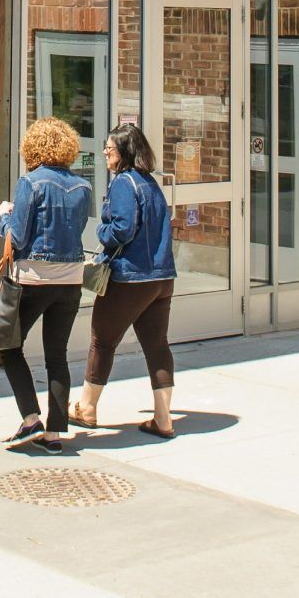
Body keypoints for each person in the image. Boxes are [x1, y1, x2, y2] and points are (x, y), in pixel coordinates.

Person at [73, 119, 179, 439]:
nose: (105, 152)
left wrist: (100, 230)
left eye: (109, 147)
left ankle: (87, 408)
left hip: (130, 278)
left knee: (102, 341)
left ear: (124, 151)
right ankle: (163, 419)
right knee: (157, 345)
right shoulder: (151, 183)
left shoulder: (123, 183)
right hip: (161, 277)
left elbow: (121, 229)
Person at [0, 116, 92, 452]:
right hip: (71, 279)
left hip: (34, 278)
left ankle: (30, 418)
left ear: (32, 147)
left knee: (9, 346)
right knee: (57, 355)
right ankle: (54, 433)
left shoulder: (30, 183)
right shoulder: (83, 187)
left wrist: (3, 216)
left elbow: (18, 236)